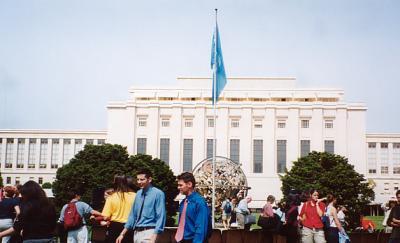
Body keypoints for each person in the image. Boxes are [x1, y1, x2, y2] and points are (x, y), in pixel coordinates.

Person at [117, 169, 166, 243]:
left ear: (149, 179)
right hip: (137, 233)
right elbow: (132, 215)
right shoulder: (138, 194)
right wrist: (122, 234)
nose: (139, 182)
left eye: (142, 180)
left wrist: (154, 236)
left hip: (150, 232)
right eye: (138, 179)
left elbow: (161, 216)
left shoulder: (158, 194)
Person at [174, 172, 210, 243]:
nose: (178, 187)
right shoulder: (183, 202)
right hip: (182, 240)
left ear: (189, 184)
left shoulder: (199, 203)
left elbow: (201, 227)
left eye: (180, 185)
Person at [102, 175, 136, 243]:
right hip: (130, 227)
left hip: (114, 227)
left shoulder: (112, 197)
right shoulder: (136, 196)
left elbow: (105, 217)